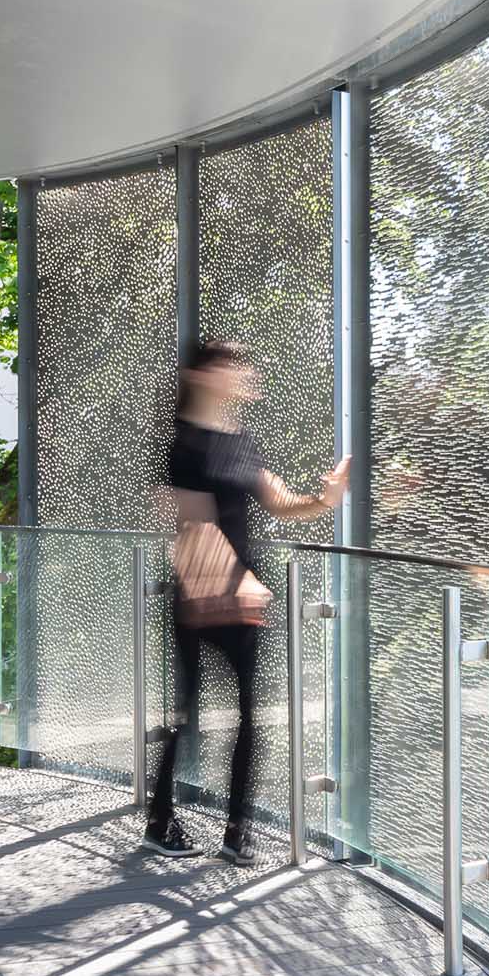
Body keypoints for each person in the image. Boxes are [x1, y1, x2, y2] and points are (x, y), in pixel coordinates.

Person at [146, 339, 350, 864]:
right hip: (200, 598)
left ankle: (237, 830)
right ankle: (160, 819)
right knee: (185, 714)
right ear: (204, 376)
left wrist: (323, 499)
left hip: (242, 599)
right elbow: (190, 529)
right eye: (232, 368)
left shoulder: (240, 440)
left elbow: (279, 503)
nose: (243, 376)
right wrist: (234, 583)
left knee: (248, 716)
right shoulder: (183, 445)